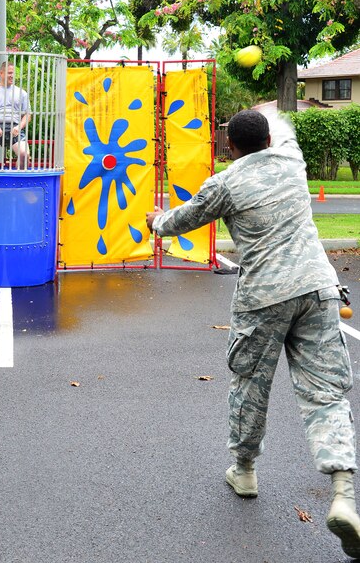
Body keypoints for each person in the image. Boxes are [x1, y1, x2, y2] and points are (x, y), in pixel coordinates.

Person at [146, 109, 360, 559]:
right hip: (319, 288)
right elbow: (284, 128)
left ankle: (244, 470)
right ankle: (343, 492)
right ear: (268, 139)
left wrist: (155, 221)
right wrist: (269, 113)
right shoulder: (293, 162)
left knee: (249, 386)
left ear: (230, 146)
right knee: (326, 394)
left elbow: (181, 221)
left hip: (264, 297)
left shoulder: (225, 183)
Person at [0, 61, 31, 169]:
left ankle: (18, 180)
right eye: (9, 73)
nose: (12, 75)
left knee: (24, 155)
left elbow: (28, 115)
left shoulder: (22, 93)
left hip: (15, 127)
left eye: (13, 73)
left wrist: (19, 127)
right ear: (1, 73)